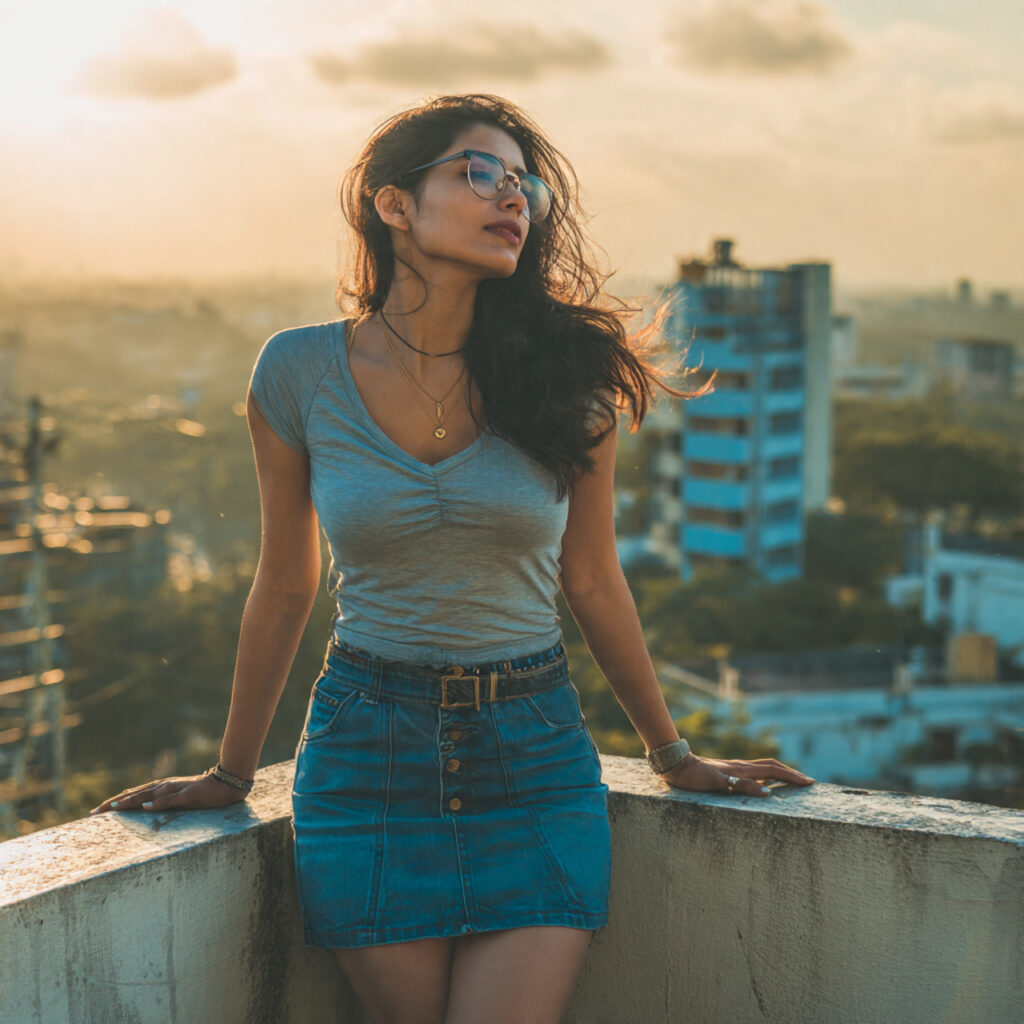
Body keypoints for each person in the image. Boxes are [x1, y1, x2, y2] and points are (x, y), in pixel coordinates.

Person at [91, 93, 814, 1024]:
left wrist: (674, 755)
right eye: (481, 173)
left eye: (525, 185)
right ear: (394, 204)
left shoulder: (567, 375)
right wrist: (232, 774)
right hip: (364, 758)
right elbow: (284, 582)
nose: (513, 199)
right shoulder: (296, 373)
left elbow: (591, 578)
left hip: (536, 757)